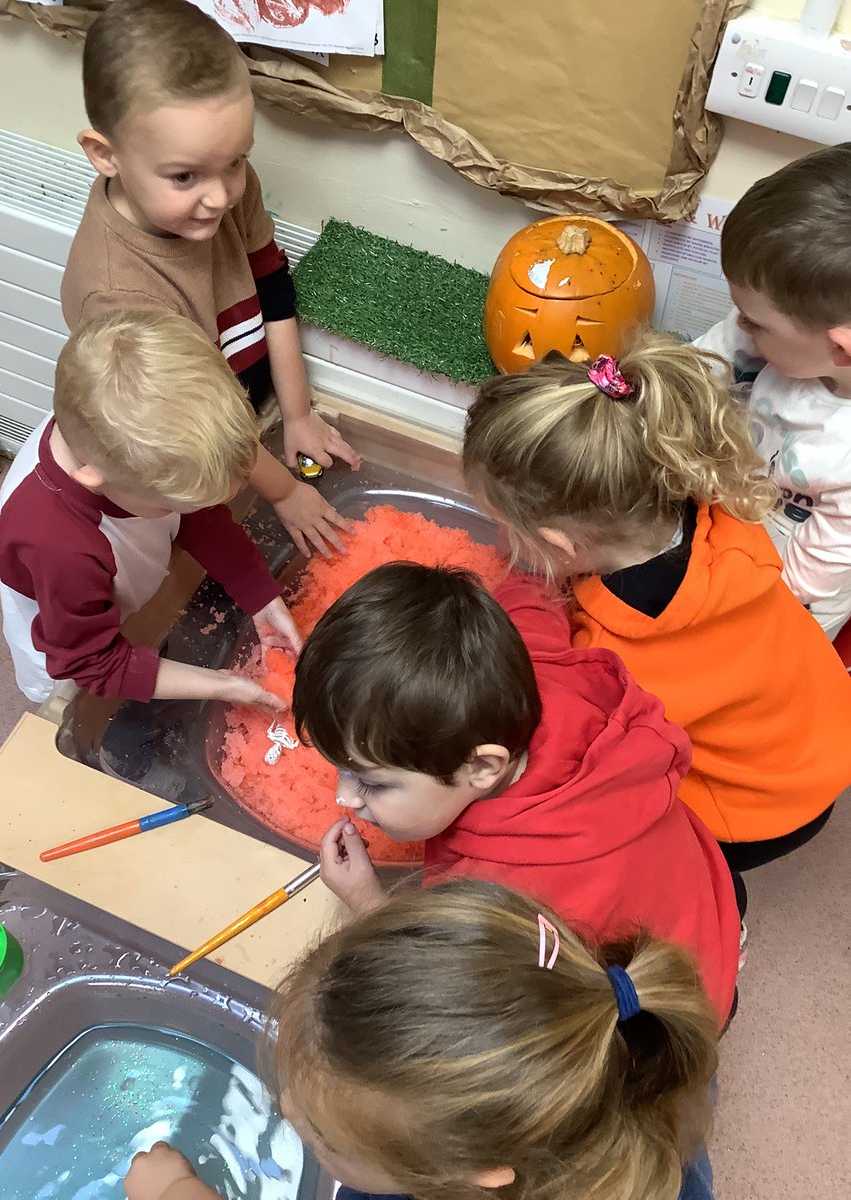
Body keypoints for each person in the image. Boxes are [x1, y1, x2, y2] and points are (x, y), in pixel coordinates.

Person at [461, 332, 851, 873]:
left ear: (558, 546)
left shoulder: (612, 658)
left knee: (632, 840)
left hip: (760, 812)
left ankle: (722, 913)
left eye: (505, 527)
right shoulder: (717, 510)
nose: (502, 541)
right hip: (824, 735)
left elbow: (582, 760)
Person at [291, 561, 740, 1028]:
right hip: (702, 907)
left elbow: (458, 996)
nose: (346, 797)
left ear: (483, 767)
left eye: (373, 782)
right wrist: (528, 560)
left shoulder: (494, 898)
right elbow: (532, 599)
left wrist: (368, 905)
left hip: (669, 1021)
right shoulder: (530, 677)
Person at [123, 881, 720, 1200]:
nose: (286, 1110)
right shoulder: (622, 1058)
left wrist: (177, 1192)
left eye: (325, 1136)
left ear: (477, 1171)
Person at [61, 0, 360, 559]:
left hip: (243, 413)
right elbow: (187, 423)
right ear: (106, 155)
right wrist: (286, 491)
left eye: (235, 162)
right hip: (194, 446)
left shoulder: (225, 183)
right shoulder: (118, 295)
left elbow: (273, 290)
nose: (221, 196)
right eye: (184, 176)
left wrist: (296, 413)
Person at [0, 309, 301, 708]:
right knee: (74, 704)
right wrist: (225, 685)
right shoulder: (58, 546)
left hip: (120, 586)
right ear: (95, 477)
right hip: (71, 646)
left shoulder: (116, 436)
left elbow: (200, 517)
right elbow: (94, 662)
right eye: (170, 505)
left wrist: (260, 596)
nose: (194, 510)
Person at [694, 143, 851, 640]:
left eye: (757, 322)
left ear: (841, 351)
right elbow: (693, 374)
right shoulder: (759, 336)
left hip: (792, 585)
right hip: (733, 511)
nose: (739, 323)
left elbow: (803, 584)